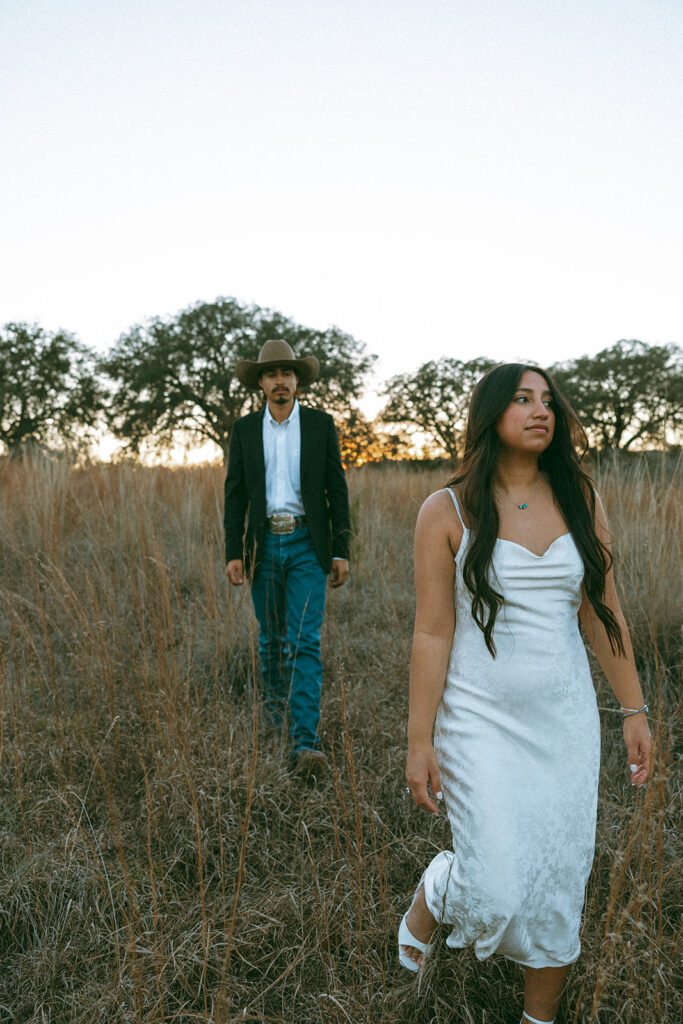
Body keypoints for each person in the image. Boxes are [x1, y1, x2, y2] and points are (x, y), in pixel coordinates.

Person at [400, 364, 651, 1024]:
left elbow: (602, 611)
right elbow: (430, 632)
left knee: (559, 875)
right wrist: (418, 740)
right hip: (478, 719)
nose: (540, 410)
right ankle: (440, 887)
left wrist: (633, 709)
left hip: (564, 720)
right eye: (521, 399)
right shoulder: (446, 510)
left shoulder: (579, 498)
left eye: (547, 400)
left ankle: (538, 1019)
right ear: (490, 415)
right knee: (496, 886)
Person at [224, 339, 351, 774]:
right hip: (262, 545)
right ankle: (277, 718)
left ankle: (305, 742)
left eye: (287, 373)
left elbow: (337, 488)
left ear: (297, 380)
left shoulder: (320, 425)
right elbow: (235, 494)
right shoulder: (244, 430)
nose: (280, 381)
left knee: (304, 641)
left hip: (306, 545)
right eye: (271, 374)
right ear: (260, 383)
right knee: (272, 639)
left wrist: (341, 549)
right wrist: (234, 552)